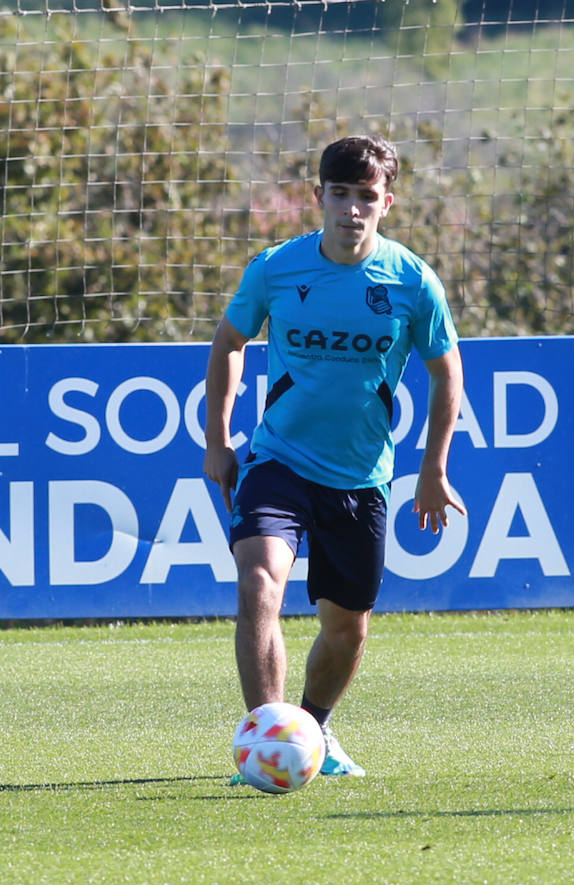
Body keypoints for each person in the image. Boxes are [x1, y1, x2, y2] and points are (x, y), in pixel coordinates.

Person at [204, 135, 464, 778]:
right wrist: (219, 438)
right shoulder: (277, 268)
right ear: (318, 197)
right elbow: (231, 340)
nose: (352, 209)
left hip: (360, 477)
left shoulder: (410, 281)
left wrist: (433, 469)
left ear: (386, 203)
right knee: (258, 582)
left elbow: (446, 371)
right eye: (340, 194)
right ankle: (267, 736)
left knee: (347, 628)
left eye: (366, 197)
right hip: (278, 460)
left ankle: (312, 731)